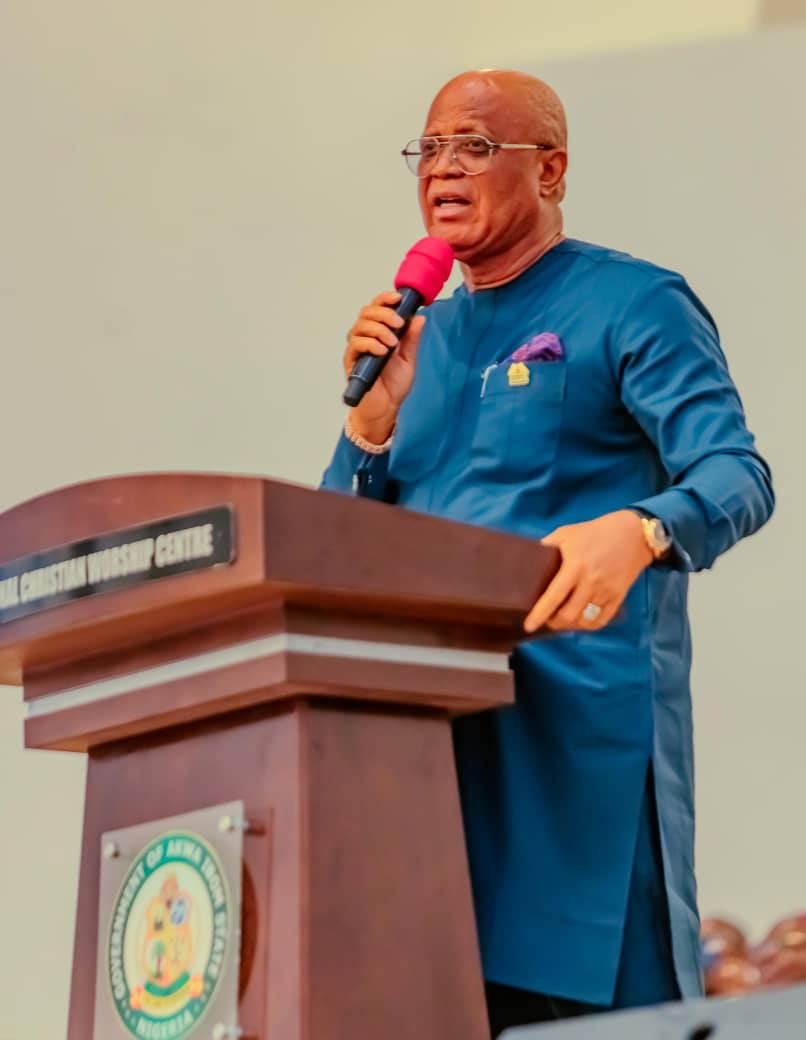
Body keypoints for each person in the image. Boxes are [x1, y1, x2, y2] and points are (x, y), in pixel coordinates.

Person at [321, 69, 774, 1035]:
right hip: (428, 756)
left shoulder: (634, 301)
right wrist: (368, 431)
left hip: (576, 758)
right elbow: (331, 558)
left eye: (475, 146)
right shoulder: (420, 341)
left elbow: (738, 476)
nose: (443, 167)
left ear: (552, 170)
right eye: (429, 149)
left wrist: (643, 528)